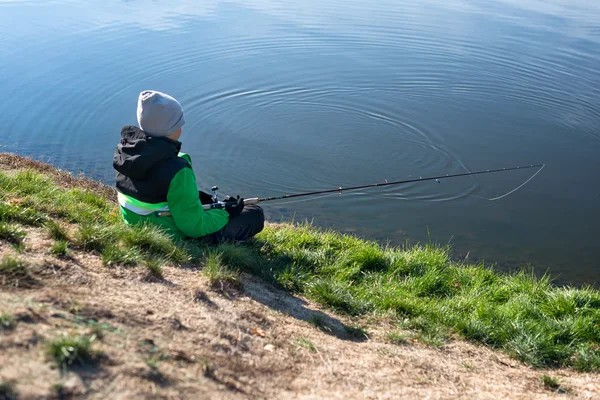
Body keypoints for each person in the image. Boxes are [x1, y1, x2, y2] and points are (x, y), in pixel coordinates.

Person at [113, 90, 264, 243]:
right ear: (171, 128)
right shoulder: (177, 168)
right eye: (179, 122)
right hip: (166, 233)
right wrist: (227, 213)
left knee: (205, 203)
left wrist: (199, 197)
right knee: (254, 213)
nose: (182, 126)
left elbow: (153, 186)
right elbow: (194, 227)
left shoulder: (127, 151)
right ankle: (211, 245)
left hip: (135, 222)